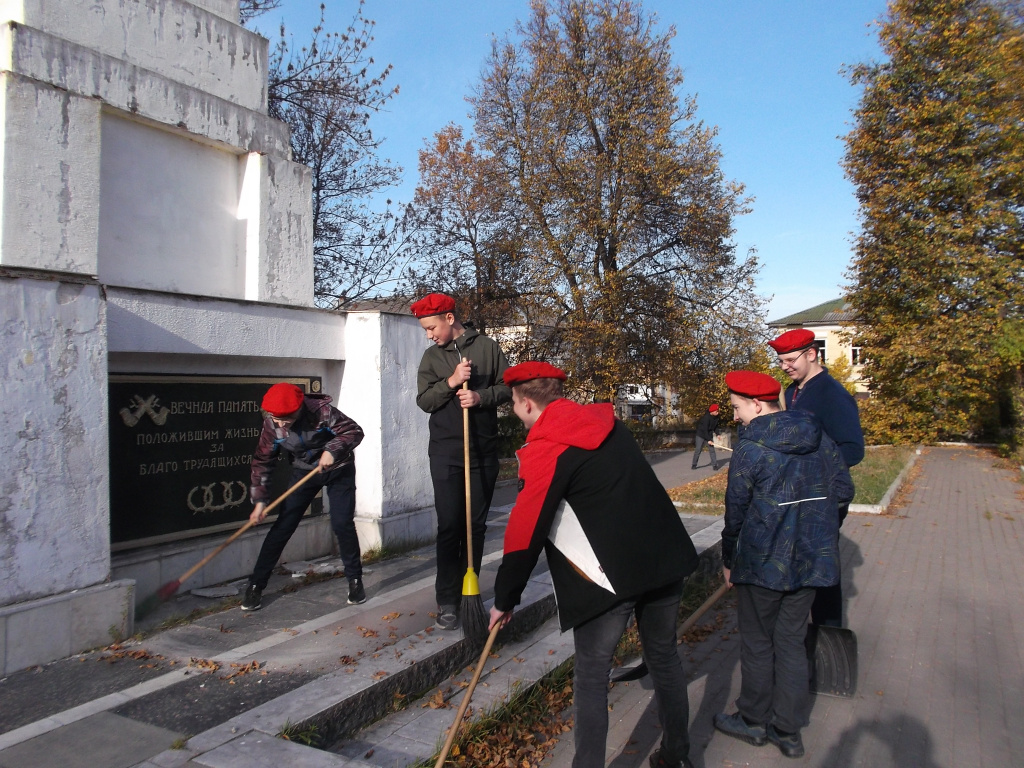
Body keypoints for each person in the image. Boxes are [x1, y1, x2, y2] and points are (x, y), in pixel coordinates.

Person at [489, 362, 699, 768]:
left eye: (514, 406)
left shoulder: (548, 448)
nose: (516, 415)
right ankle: (678, 757)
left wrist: (504, 597)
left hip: (611, 577)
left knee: (591, 676)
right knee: (664, 658)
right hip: (663, 557)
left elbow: (524, 529)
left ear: (528, 403)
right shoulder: (609, 424)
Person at [712, 370, 854, 760]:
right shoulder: (820, 438)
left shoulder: (751, 449)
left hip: (761, 565)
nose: (736, 417)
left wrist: (728, 561)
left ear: (757, 404)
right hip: (810, 561)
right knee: (791, 641)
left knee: (758, 644)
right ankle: (788, 732)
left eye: (738, 408)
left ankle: (754, 720)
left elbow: (735, 513)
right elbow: (843, 491)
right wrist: (814, 524)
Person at [412, 293, 511, 631]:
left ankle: (472, 590)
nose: (429, 335)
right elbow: (424, 400)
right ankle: (448, 599)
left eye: (431, 327)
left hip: (482, 453)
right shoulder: (431, 358)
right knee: (450, 526)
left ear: (449, 319)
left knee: (476, 527)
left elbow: (509, 388)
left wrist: (481, 397)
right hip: (446, 454)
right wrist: (452, 383)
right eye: (426, 330)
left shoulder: (487, 348)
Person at [769, 328, 864, 627]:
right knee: (802, 568)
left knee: (822, 571)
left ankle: (828, 636)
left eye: (790, 360)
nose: (785, 367)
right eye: (781, 361)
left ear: (812, 354)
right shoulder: (791, 392)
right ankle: (800, 638)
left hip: (823, 497)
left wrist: (813, 470)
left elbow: (852, 449)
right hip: (798, 495)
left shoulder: (833, 395)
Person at [242, 382, 366, 612]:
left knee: (342, 524)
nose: (281, 424)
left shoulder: (322, 411)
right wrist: (260, 501)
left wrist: (332, 450)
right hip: (304, 472)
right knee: (283, 526)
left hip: (339, 469)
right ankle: (256, 585)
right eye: (277, 419)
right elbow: (263, 461)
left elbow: (354, 431)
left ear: (298, 410)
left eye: (286, 420)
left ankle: (355, 581)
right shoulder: (272, 424)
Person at [691, 403, 722, 471]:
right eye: (716, 411)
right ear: (712, 411)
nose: (718, 412)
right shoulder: (706, 418)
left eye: (718, 410)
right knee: (698, 450)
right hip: (701, 435)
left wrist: (718, 434)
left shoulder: (717, 417)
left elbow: (715, 427)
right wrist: (708, 440)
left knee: (712, 450)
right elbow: (705, 430)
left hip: (709, 435)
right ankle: (694, 464)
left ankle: (714, 465)